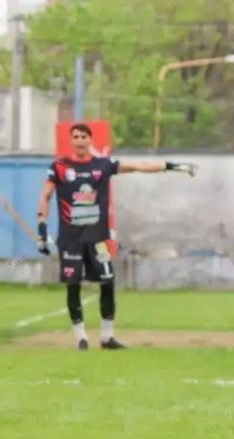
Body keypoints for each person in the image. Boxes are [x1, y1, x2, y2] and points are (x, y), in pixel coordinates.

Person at [37, 123, 196, 350]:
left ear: (90, 140)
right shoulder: (60, 167)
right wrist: (42, 227)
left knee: (108, 282)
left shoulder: (104, 165)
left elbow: (139, 166)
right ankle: (81, 338)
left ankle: (107, 337)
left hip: (97, 238)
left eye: (83, 136)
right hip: (71, 238)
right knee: (73, 284)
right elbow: (45, 195)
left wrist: (171, 166)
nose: (79, 140)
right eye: (75, 136)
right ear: (71, 141)